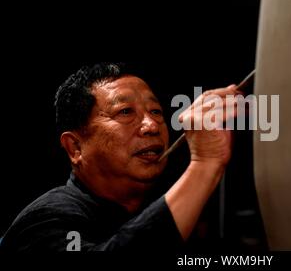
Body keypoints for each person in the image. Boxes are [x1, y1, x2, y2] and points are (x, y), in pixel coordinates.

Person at [0, 62, 241, 252]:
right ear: (75, 147)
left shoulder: (179, 205)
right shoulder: (43, 221)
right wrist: (204, 165)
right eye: (125, 112)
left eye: (156, 111)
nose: (151, 126)